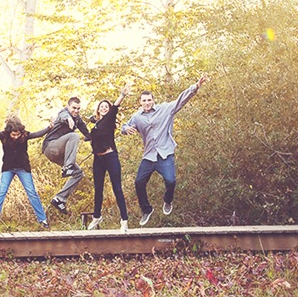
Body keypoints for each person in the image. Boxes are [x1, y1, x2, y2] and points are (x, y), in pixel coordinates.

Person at [121, 75, 208, 226]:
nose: (147, 103)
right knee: (139, 182)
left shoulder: (165, 109)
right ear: (140, 102)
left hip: (165, 153)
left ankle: (168, 201)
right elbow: (124, 126)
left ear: (153, 100)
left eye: (149, 100)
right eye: (144, 101)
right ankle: (146, 210)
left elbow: (181, 99)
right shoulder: (137, 117)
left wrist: (195, 87)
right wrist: (126, 129)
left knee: (171, 181)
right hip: (149, 156)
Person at [0, 114, 52, 228]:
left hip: (23, 168)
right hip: (8, 168)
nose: (16, 137)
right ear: (9, 133)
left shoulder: (25, 135)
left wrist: (49, 127)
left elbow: (38, 134)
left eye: (18, 134)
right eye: (13, 135)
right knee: (2, 191)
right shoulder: (4, 136)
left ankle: (42, 219)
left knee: (31, 192)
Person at [87, 84, 131, 231]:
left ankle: (124, 220)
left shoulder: (110, 119)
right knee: (98, 188)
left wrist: (122, 94)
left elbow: (115, 107)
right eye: (102, 107)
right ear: (98, 110)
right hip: (98, 159)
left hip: (110, 157)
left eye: (106, 106)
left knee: (117, 188)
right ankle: (96, 216)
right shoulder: (96, 124)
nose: (104, 108)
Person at [41, 97, 91, 216]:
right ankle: (68, 167)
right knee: (74, 136)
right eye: (74, 108)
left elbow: (86, 132)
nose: (76, 111)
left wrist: (95, 137)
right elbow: (63, 116)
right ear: (68, 106)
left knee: (78, 173)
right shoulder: (63, 113)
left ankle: (59, 199)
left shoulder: (78, 119)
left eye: (78, 109)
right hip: (51, 147)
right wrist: (68, 118)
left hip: (59, 154)